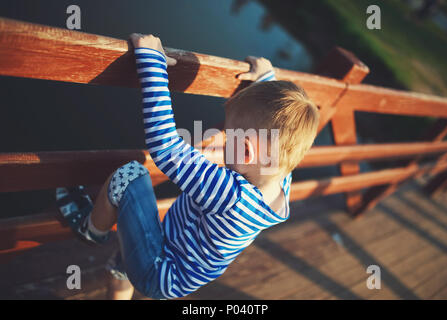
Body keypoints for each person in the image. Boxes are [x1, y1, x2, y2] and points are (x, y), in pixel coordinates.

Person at [56, 33, 320, 300]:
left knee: (130, 176)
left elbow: (166, 147)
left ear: (247, 151)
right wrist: (266, 82)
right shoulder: (280, 179)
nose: (224, 138)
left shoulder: (231, 195)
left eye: (229, 135)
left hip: (159, 269)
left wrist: (152, 62)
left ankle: (91, 231)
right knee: (122, 265)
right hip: (175, 271)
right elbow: (283, 132)